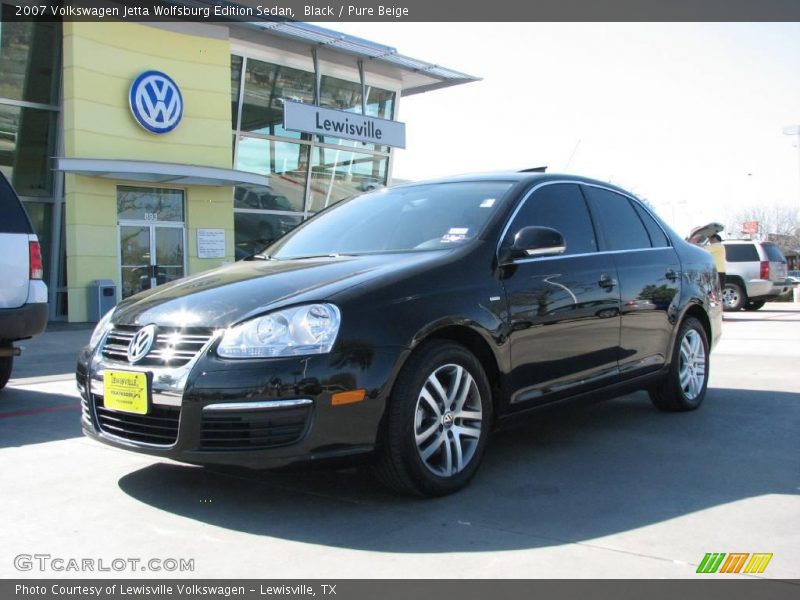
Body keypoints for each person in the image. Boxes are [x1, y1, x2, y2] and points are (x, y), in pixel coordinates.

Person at [706, 234, 727, 299]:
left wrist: (693, 243)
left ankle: (716, 303)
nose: (709, 241)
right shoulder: (720, 246)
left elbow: (703, 248)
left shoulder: (717, 246)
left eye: (710, 239)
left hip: (717, 270)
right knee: (718, 289)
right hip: (720, 270)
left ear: (714, 238)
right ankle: (717, 303)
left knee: (714, 289)